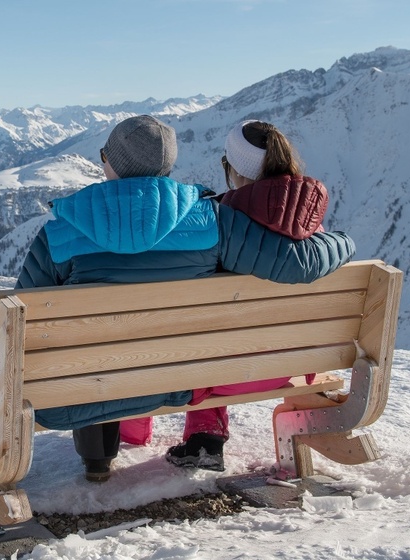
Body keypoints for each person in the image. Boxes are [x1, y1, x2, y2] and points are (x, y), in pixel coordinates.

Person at [0, 115, 353, 483]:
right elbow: (295, 262)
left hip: (68, 395)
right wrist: (344, 241)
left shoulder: (58, 234)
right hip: (176, 383)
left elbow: (22, 331)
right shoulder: (215, 222)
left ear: (110, 163)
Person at [120, 120, 332, 472]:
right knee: (218, 336)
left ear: (232, 169)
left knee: (197, 336)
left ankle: (165, 435)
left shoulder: (219, 222)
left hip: (222, 370)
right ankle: (204, 435)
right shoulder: (313, 225)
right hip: (294, 363)